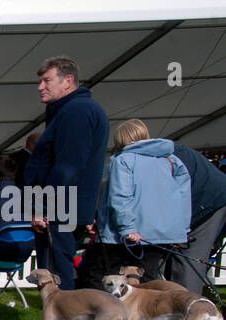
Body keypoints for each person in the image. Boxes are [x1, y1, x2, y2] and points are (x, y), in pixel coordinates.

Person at [18, 56, 109, 320]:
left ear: (68, 81)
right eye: (40, 81)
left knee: (57, 275)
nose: (41, 87)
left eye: (47, 81)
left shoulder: (77, 111)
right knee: (54, 271)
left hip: (60, 208)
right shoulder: (70, 110)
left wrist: (45, 207)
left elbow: (69, 166)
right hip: (63, 206)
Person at [81, 119, 190, 288]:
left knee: (102, 276)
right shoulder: (171, 160)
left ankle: (102, 312)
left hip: (124, 234)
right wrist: (179, 231)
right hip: (158, 234)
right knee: (148, 282)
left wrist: (127, 228)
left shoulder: (123, 160)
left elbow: (120, 196)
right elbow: (183, 198)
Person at [163, 142, 226, 290]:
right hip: (207, 198)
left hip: (209, 202)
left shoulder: (162, 157)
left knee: (187, 262)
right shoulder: (167, 151)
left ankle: (190, 307)